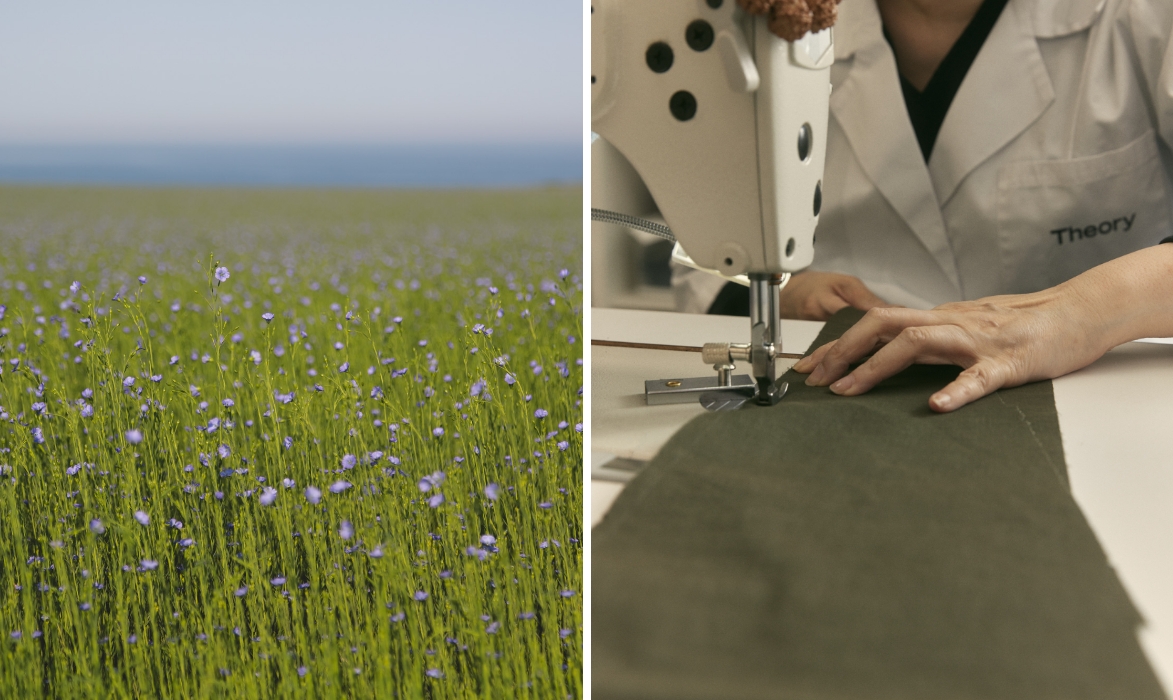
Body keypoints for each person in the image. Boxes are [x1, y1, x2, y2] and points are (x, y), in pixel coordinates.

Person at [677, 0, 1173, 411]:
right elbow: (698, 236)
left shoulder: (1145, 17)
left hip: (1102, 396)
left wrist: (1078, 312)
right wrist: (782, 288)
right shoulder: (760, 24)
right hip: (841, 383)